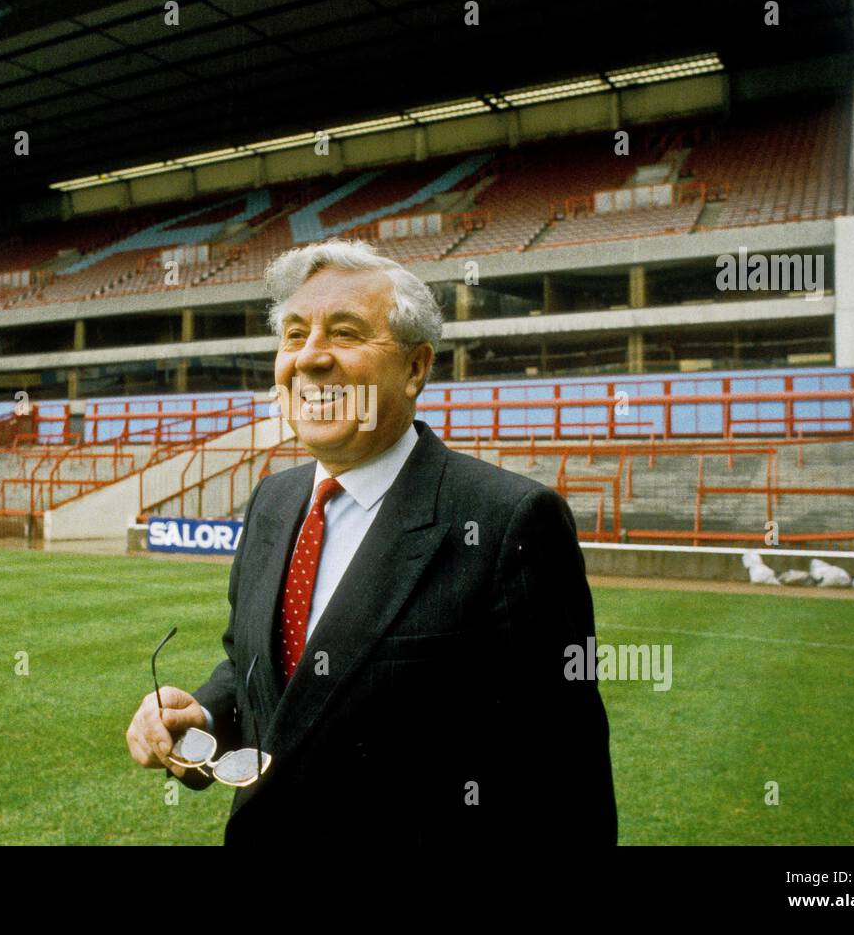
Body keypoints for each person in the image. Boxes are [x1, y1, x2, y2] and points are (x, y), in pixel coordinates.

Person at [126, 239, 616, 845]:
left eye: (346, 333)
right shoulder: (273, 503)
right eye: (294, 334)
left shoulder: (509, 521)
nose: (309, 359)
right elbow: (260, 673)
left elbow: (566, 786)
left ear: (415, 367)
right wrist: (201, 714)